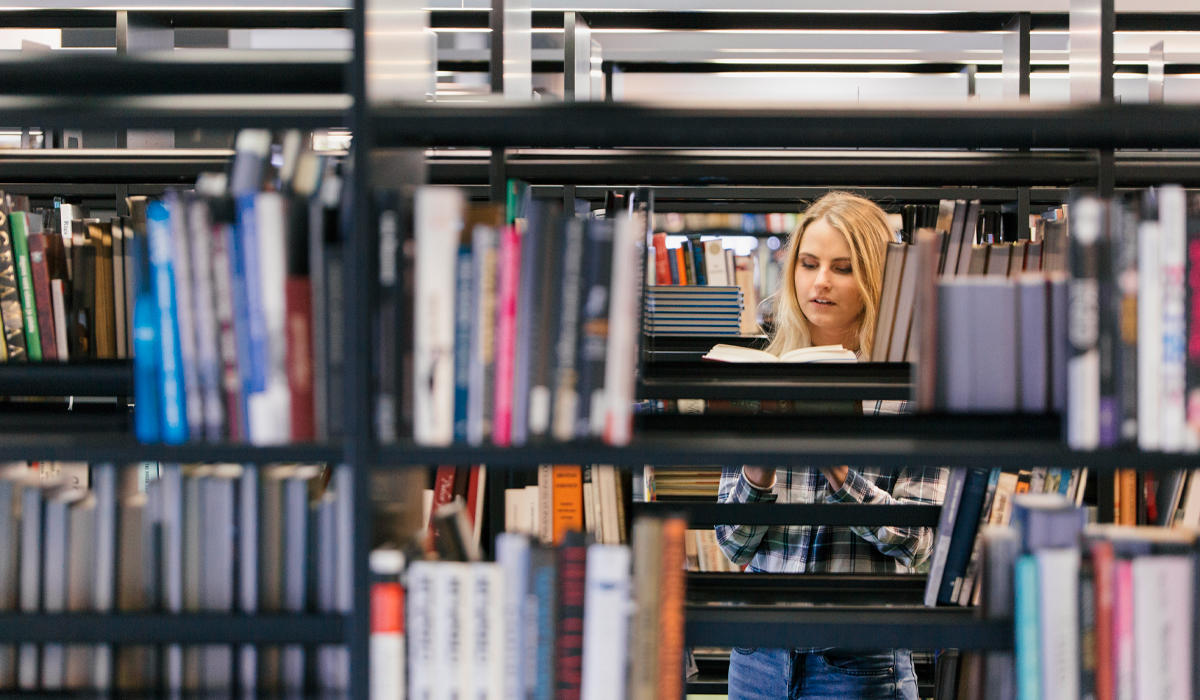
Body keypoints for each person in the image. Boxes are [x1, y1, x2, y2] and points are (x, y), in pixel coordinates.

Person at [716, 191, 948, 700]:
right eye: (809, 263)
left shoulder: (912, 390)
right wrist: (757, 475)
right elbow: (733, 544)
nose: (820, 282)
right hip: (756, 661)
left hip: (859, 664)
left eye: (843, 268)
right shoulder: (765, 374)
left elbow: (922, 545)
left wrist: (843, 475)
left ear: (873, 278)